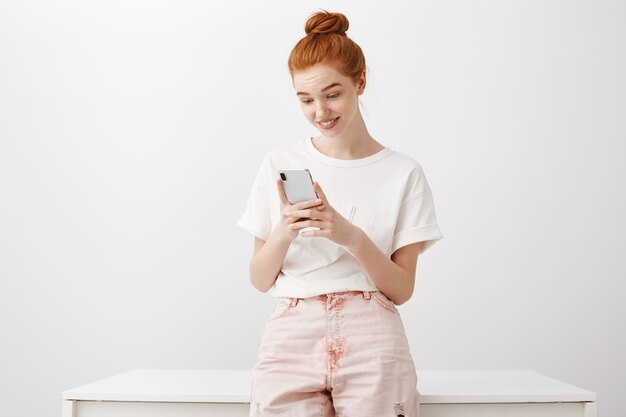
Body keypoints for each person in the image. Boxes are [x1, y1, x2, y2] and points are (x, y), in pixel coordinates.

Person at [236, 9, 443, 417]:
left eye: (333, 94)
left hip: (374, 332)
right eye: (306, 99)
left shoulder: (403, 173)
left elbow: (401, 289)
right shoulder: (278, 163)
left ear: (359, 81)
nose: (320, 111)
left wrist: (348, 234)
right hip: (292, 332)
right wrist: (284, 231)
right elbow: (260, 279)